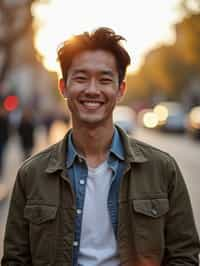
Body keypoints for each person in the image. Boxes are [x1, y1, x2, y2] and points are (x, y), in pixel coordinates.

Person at [1, 27, 200, 266]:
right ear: (63, 87)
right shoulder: (31, 174)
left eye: (105, 79)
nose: (92, 90)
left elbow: (184, 255)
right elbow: (15, 259)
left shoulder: (162, 168)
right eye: (81, 78)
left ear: (120, 90)